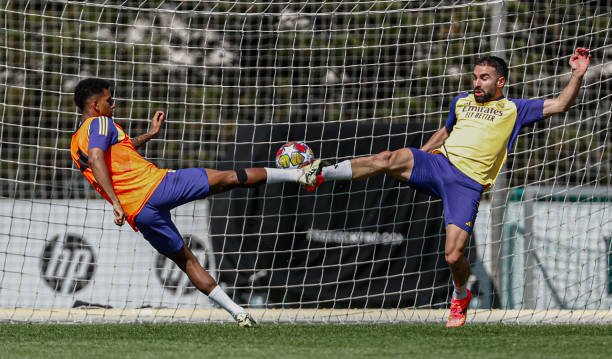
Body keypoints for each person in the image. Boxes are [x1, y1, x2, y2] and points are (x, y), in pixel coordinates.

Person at [303, 48, 591, 327]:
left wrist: (577, 73)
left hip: (467, 185)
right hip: (440, 164)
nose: (477, 82)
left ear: (500, 81)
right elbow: (446, 131)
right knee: (387, 158)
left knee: (453, 256)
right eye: (476, 76)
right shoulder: (462, 102)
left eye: (485, 78)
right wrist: (422, 155)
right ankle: (321, 173)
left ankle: (460, 294)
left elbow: (560, 105)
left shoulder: (515, 109)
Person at [70, 78, 320, 327]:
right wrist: (114, 201)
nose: (113, 105)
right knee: (230, 177)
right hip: (157, 187)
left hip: (139, 213)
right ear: (94, 105)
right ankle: (298, 174)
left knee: (187, 260)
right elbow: (97, 157)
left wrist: (150, 134)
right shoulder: (101, 122)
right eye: (109, 101)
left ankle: (238, 313)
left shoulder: (76, 142)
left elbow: (116, 149)